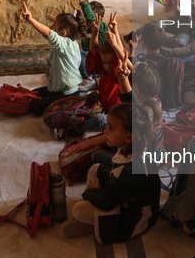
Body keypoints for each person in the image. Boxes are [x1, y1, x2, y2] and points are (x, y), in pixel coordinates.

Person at [62, 103, 161, 243]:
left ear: (129, 137)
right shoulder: (135, 147)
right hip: (124, 194)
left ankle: (96, 223)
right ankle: (95, 215)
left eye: (111, 128)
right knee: (95, 168)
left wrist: (94, 192)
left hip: (135, 217)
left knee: (78, 210)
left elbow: (105, 201)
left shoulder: (129, 174)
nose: (105, 132)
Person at [21, 2, 87, 116]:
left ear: (63, 33)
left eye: (54, 25)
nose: (51, 26)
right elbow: (48, 33)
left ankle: (69, 105)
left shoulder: (66, 45)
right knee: (32, 94)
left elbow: (47, 33)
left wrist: (31, 20)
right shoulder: (68, 43)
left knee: (36, 108)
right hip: (57, 89)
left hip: (67, 94)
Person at [74, 0, 109, 92]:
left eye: (89, 19)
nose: (87, 20)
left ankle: (89, 80)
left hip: (101, 63)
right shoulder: (86, 29)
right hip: (92, 65)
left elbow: (91, 17)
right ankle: (92, 78)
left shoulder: (102, 27)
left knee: (81, 54)